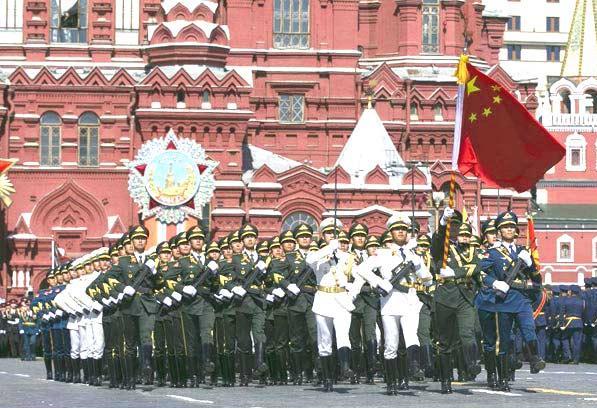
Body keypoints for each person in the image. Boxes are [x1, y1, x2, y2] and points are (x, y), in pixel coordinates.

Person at [355, 214, 432, 395]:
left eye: (404, 230)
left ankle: (412, 369)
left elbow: (427, 280)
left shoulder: (414, 254)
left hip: (410, 299)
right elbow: (361, 269)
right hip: (390, 301)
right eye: (397, 229)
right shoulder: (382, 253)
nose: (401, 232)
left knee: (412, 336)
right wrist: (379, 282)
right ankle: (391, 382)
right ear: (391, 232)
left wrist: (418, 264)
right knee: (391, 344)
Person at [476, 211, 546, 392]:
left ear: (516, 231)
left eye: (512, 227)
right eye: (505, 227)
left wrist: (531, 264)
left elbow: (537, 279)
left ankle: (535, 359)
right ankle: (502, 377)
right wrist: (495, 283)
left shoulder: (523, 251)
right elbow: (479, 274)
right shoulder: (491, 253)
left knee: (529, 329)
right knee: (503, 341)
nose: (509, 229)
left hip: (522, 298)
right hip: (503, 300)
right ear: (499, 231)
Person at [305, 217, 358, 392]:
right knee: (325, 341)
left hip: (341, 299)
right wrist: (330, 247)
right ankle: (327, 378)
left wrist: (353, 292)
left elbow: (359, 276)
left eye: (334, 233)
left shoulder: (347, 257)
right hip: (323, 299)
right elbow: (309, 261)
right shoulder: (316, 255)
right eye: (328, 233)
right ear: (322, 235)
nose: (331, 236)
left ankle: (345, 367)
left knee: (343, 335)